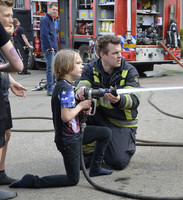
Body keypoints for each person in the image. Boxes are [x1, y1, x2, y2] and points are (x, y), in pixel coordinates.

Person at [9, 49, 113, 189]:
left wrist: (80, 108)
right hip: (68, 140)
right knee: (72, 179)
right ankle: (32, 181)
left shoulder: (64, 86)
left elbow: (68, 110)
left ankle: (95, 168)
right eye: (78, 63)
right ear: (66, 67)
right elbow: (66, 116)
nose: (82, 65)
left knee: (105, 133)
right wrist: (80, 105)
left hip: (74, 134)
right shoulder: (66, 89)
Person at [75, 35, 141, 170]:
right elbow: (82, 83)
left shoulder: (129, 71)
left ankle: (127, 144)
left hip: (121, 123)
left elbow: (134, 99)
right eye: (115, 53)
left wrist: (119, 100)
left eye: (120, 52)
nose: (120, 56)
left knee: (117, 162)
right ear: (102, 54)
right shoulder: (90, 68)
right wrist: (81, 90)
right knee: (75, 107)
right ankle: (90, 152)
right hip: (100, 118)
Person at [0, 1, 24, 199]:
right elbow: (17, 64)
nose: (11, 20)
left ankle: (0, 173)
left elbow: (2, 64)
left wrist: (10, 81)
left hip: (2, 91)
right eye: (6, 15)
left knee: (6, 133)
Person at [40, 2, 58, 96]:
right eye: (54, 9)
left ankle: (52, 87)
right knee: (50, 69)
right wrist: (49, 47)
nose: (55, 11)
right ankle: (50, 89)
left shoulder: (52, 19)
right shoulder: (45, 19)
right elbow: (44, 34)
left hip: (54, 47)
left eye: (56, 10)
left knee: (54, 69)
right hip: (49, 49)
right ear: (49, 9)